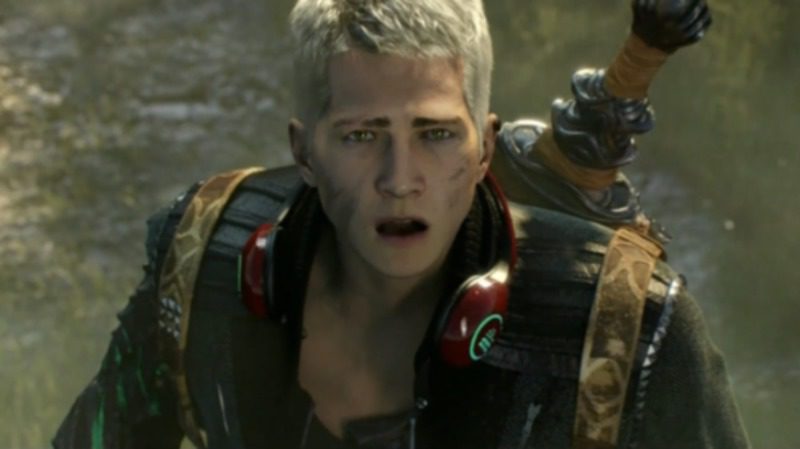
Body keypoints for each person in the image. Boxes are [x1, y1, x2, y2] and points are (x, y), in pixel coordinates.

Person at [53, 0, 751, 448]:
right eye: (361, 135)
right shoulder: (201, 265)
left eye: (435, 134)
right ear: (304, 151)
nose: (399, 178)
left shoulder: (627, 331)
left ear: (485, 147)